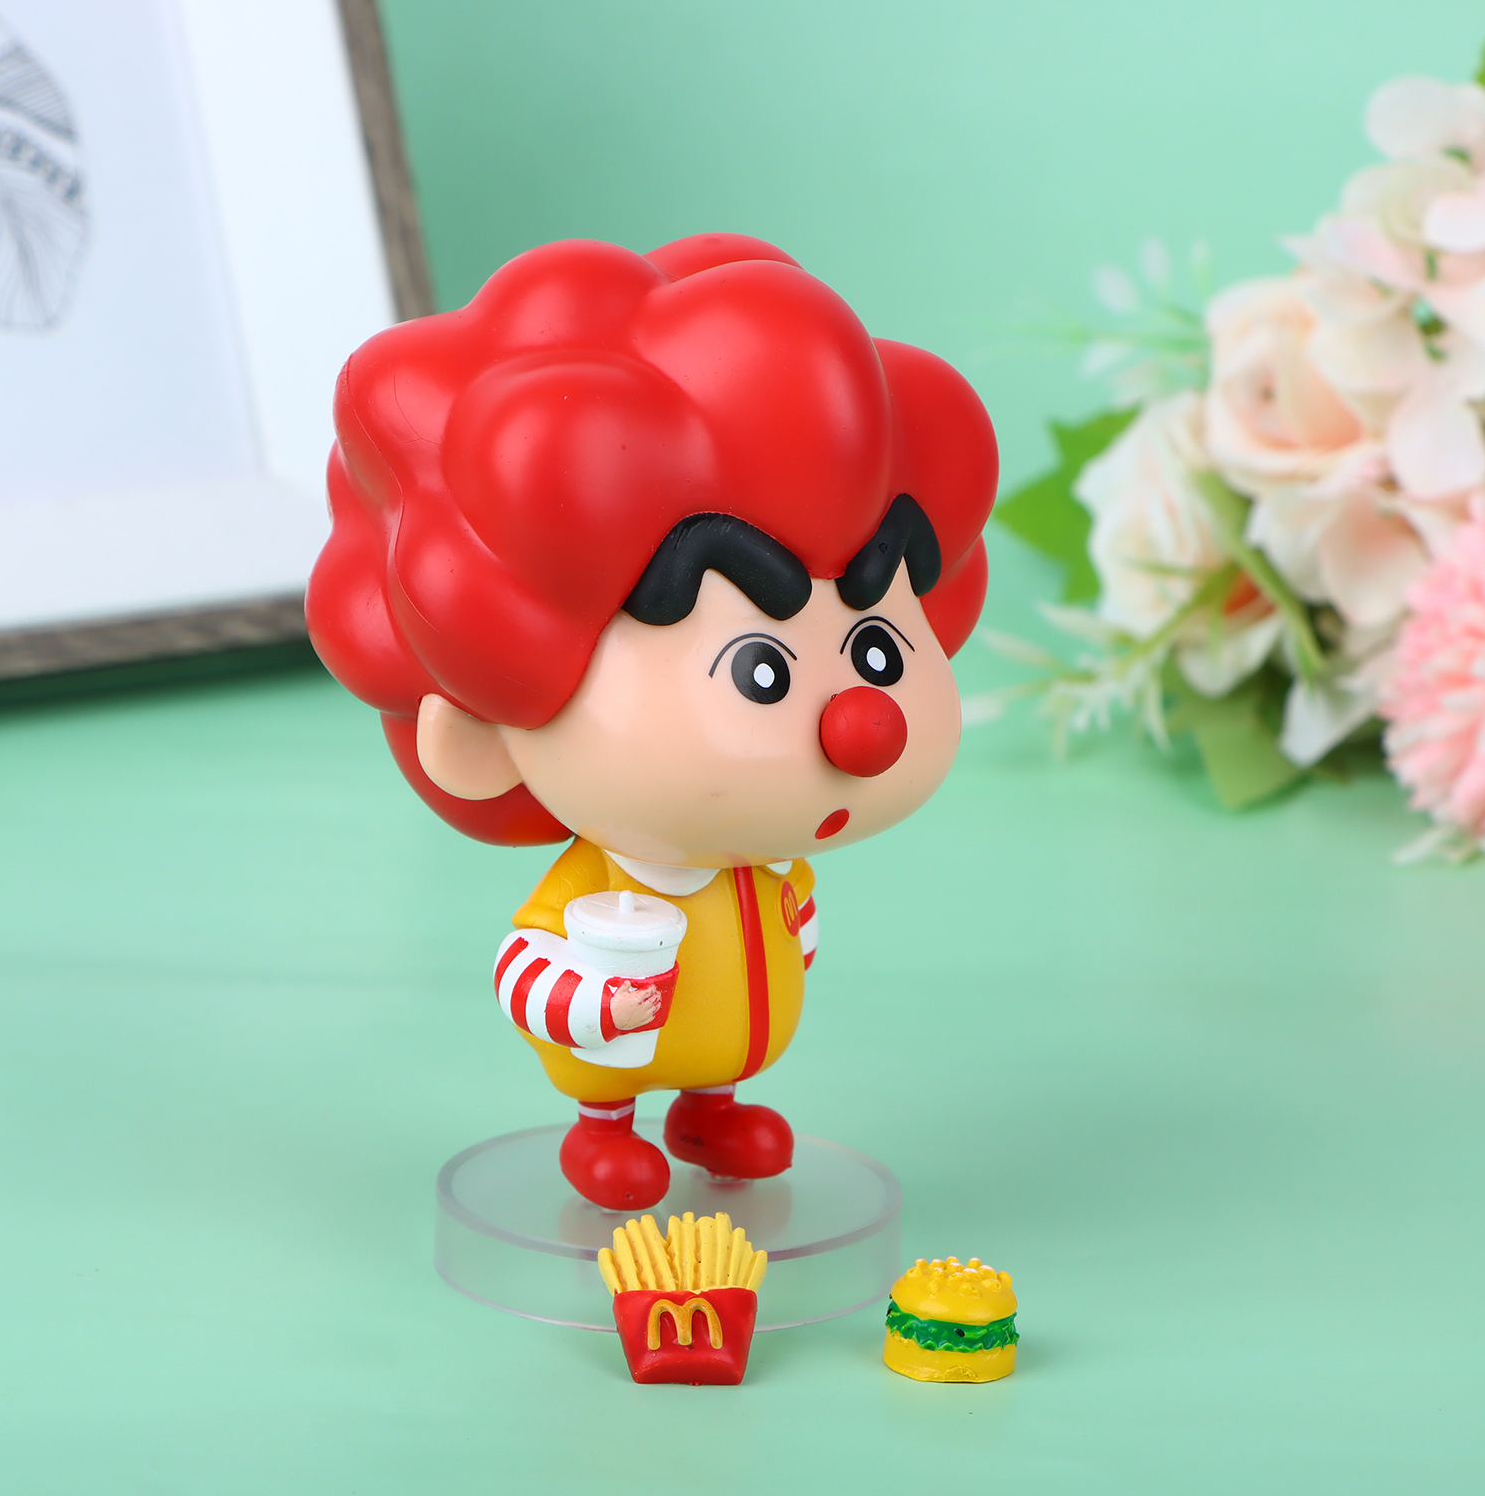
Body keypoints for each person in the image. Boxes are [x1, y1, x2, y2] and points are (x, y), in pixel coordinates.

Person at [307, 232, 997, 1209]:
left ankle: (708, 1111)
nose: (862, 725)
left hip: (738, 1033)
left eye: (875, 649)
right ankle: (603, 1127)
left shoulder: (769, 858)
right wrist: (594, 998)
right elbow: (525, 969)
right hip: (619, 1040)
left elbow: (786, 920)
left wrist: (791, 930)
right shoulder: (596, 889)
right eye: (761, 671)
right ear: (486, 735)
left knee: (725, 1059)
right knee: (616, 1073)